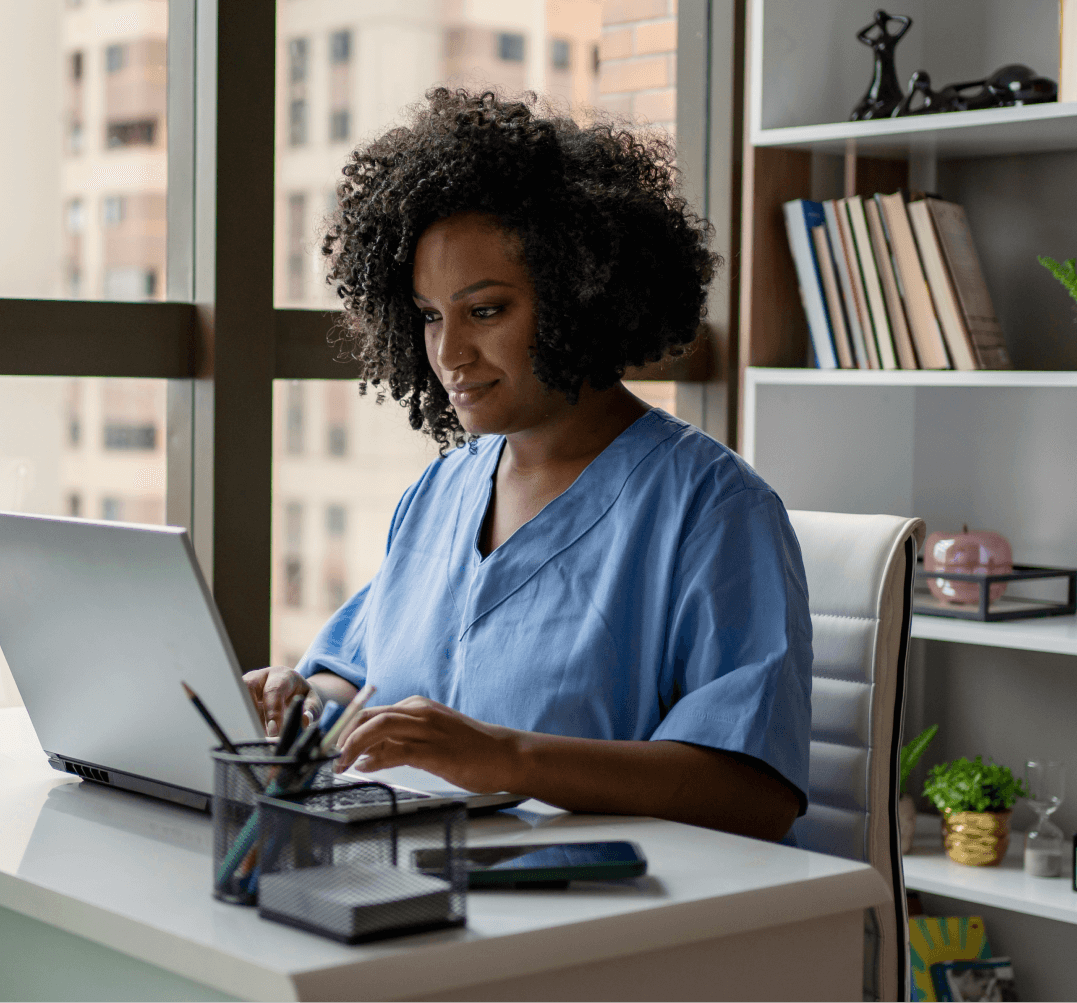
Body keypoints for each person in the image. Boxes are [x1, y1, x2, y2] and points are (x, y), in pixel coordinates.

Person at [245, 89, 811, 843]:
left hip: (596, 923)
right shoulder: (441, 491)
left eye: (485, 311)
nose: (448, 354)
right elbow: (355, 670)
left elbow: (757, 791)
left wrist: (508, 756)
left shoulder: (711, 508)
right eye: (429, 315)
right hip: (417, 888)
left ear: (584, 296)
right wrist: (303, 699)